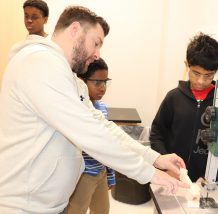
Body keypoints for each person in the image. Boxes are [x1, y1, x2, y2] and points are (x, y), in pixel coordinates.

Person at [0, 6, 188, 214]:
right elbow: (90, 133)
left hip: (50, 205)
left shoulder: (69, 78)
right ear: (74, 29)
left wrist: (154, 158)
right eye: (96, 43)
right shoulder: (39, 64)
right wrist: (148, 173)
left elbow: (102, 126)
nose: (97, 55)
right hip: (23, 208)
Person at [150, 32, 218, 182]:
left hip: (203, 183)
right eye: (196, 73)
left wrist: (212, 176)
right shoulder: (173, 98)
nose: (201, 81)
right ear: (187, 65)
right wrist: (166, 166)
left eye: (208, 75)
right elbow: (156, 134)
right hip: (171, 177)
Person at [67, 58, 115, 214]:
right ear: (82, 81)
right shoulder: (77, 110)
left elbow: (108, 145)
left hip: (101, 173)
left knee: (102, 211)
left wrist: (110, 174)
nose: (102, 88)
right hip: (83, 176)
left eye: (105, 82)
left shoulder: (103, 109)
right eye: (97, 83)